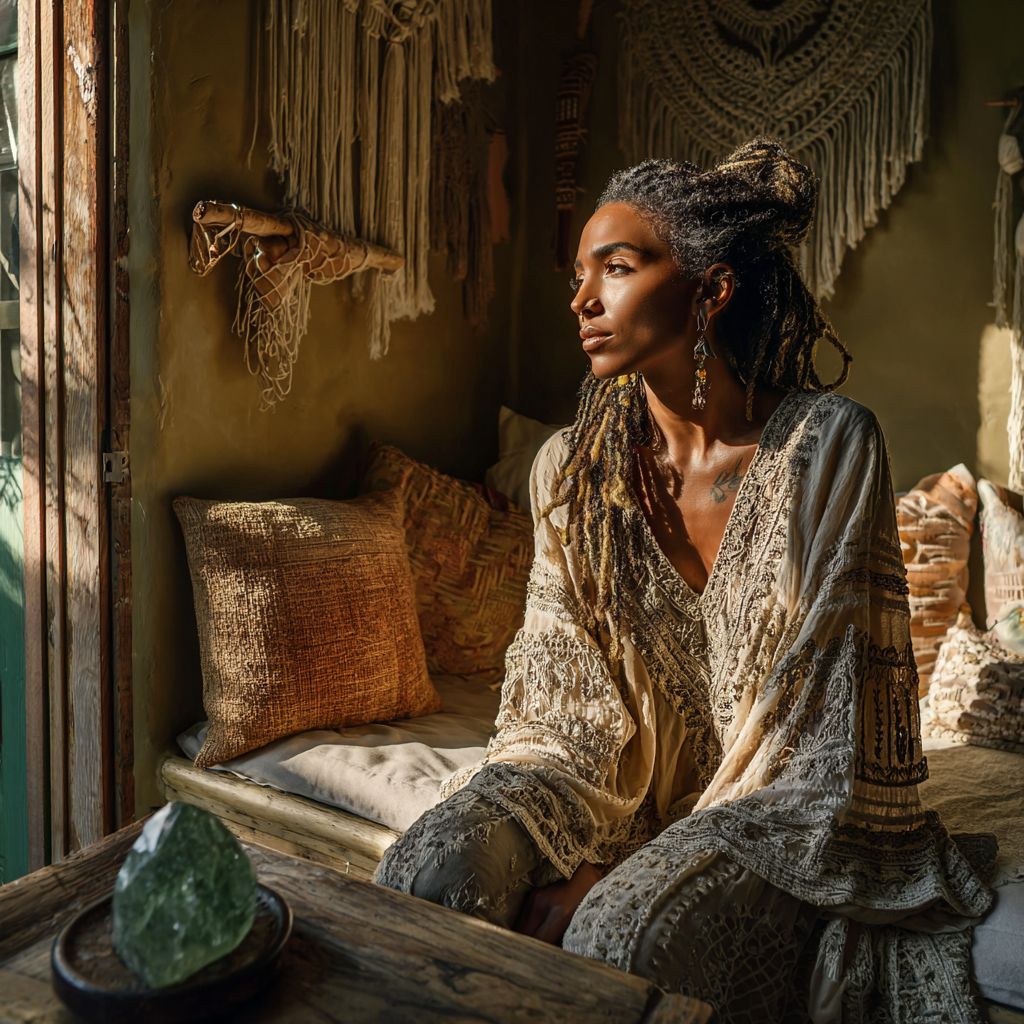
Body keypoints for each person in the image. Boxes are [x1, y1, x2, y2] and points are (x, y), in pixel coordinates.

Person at [376, 138, 993, 1022]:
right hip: (603, 786)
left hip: (781, 810)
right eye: (579, 276)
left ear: (711, 290)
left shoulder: (830, 447)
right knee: (425, 870)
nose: (582, 299)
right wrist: (589, 847)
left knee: (621, 933)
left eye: (617, 268)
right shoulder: (572, 470)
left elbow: (823, 734)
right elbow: (560, 714)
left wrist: (629, 872)